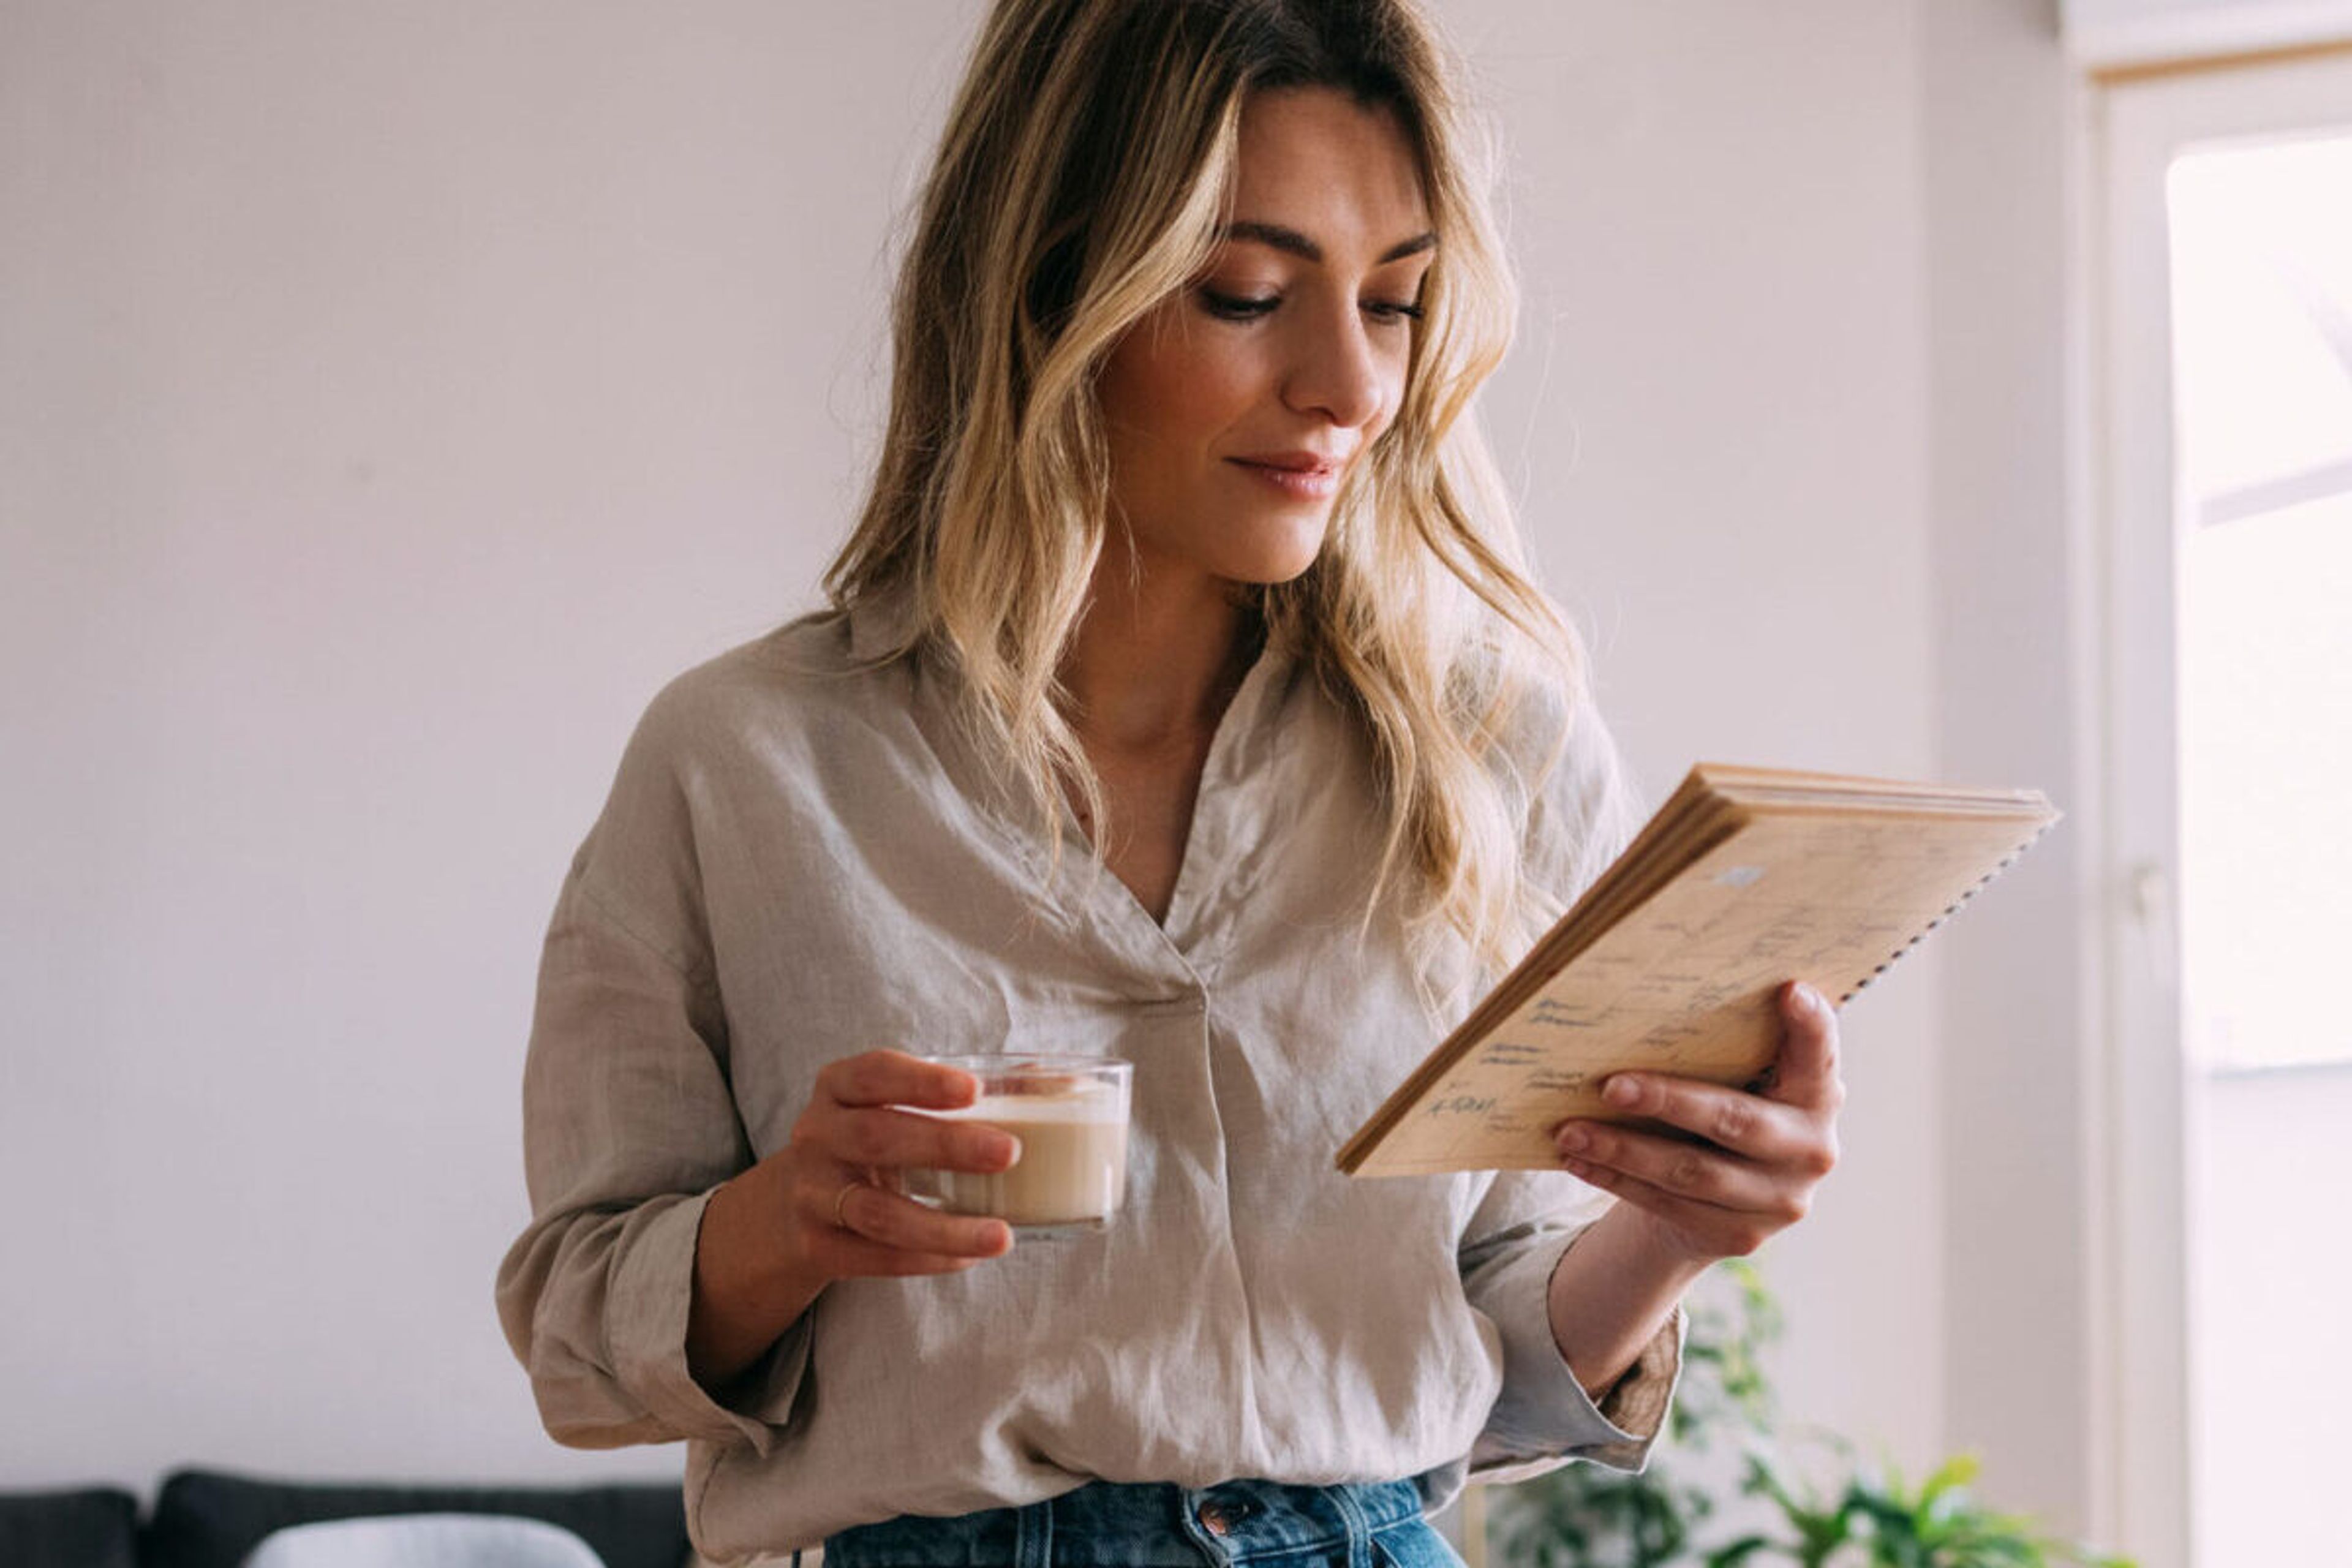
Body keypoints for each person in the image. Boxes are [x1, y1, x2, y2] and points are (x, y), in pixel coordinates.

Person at [495, 2, 1845, 1565]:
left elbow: (1492, 1348)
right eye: (1247, 293)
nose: (1350, 381)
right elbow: (577, 1335)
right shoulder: (748, 763)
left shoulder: (1498, 754)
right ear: (1055, 280)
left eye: (1398, 302)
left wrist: (1677, 1227)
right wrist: (790, 1217)